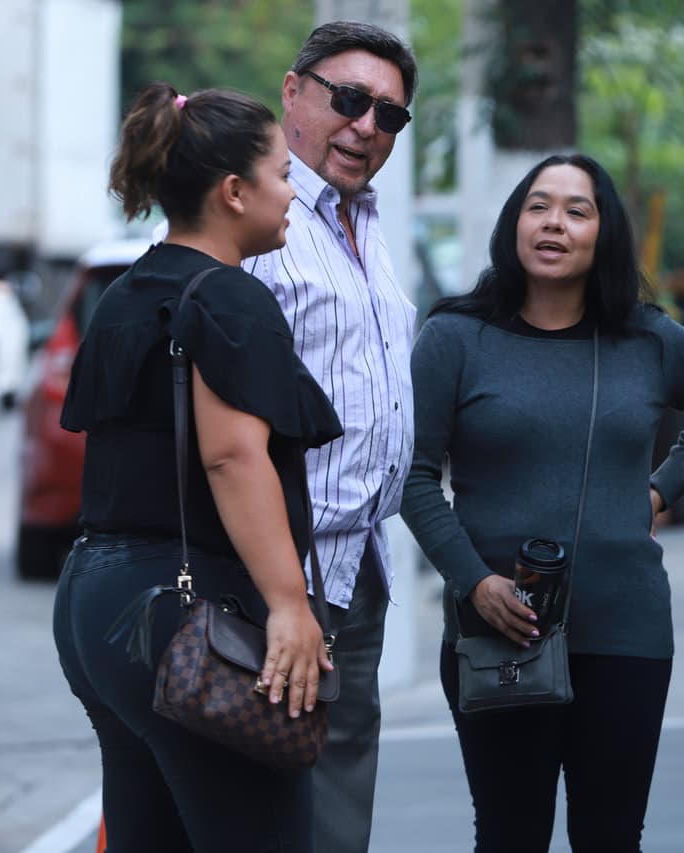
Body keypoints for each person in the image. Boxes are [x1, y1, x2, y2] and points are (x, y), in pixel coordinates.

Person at [52, 83, 343, 851]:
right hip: (183, 608)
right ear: (234, 192)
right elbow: (231, 453)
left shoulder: (129, 290)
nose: (293, 193)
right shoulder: (229, 296)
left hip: (95, 603)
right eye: (283, 174)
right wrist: (289, 605)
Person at [401, 153, 684, 852]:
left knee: (611, 836)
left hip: (627, 632)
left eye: (577, 211)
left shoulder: (648, 338)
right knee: (509, 835)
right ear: (514, 222)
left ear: (605, 233)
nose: (554, 223)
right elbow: (413, 478)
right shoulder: (455, 338)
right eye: (538, 206)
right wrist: (475, 582)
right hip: (497, 634)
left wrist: (661, 488)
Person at [240, 22, 418, 852]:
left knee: (339, 802)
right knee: (259, 799)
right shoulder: (255, 213)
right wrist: (279, 591)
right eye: (349, 100)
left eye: (389, 115)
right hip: (275, 570)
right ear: (293, 91)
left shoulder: (364, 219)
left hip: (357, 564)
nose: (366, 127)